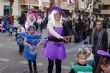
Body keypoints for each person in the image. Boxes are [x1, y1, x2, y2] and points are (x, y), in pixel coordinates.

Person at [42, 7, 71, 73]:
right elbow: (52, 32)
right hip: (51, 44)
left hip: (60, 45)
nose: (58, 15)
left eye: (59, 14)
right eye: (56, 14)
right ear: (53, 15)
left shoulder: (62, 23)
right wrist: (61, 37)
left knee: (58, 64)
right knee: (51, 64)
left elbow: (68, 30)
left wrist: (69, 35)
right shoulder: (50, 23)